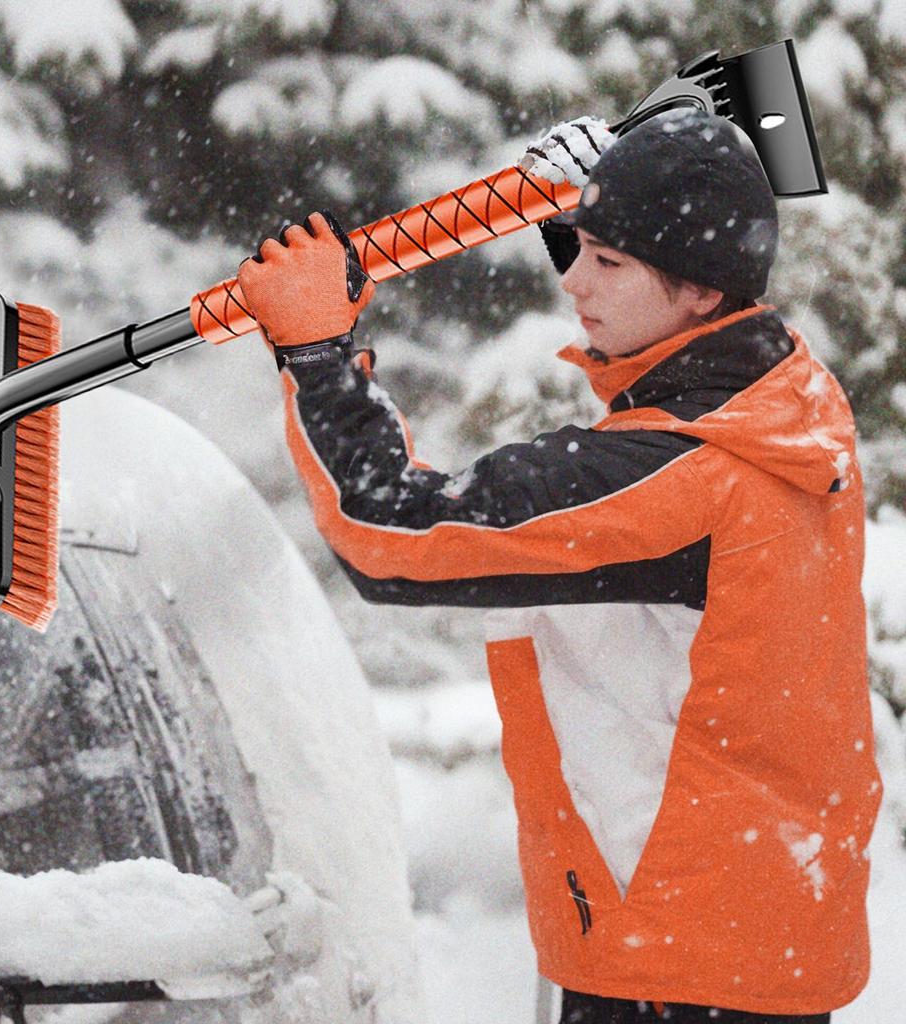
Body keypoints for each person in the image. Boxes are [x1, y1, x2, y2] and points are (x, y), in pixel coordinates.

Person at [236, 108, 882, 1024]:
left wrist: (316, 353)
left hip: (674, 963)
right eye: (576, 248)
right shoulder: (785, 402)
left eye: (606, 263)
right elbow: (655, 387)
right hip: (749, 927)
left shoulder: (681, 478)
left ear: (704, 292)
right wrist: (598, 216)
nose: (573, 280)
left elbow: (394, 532)